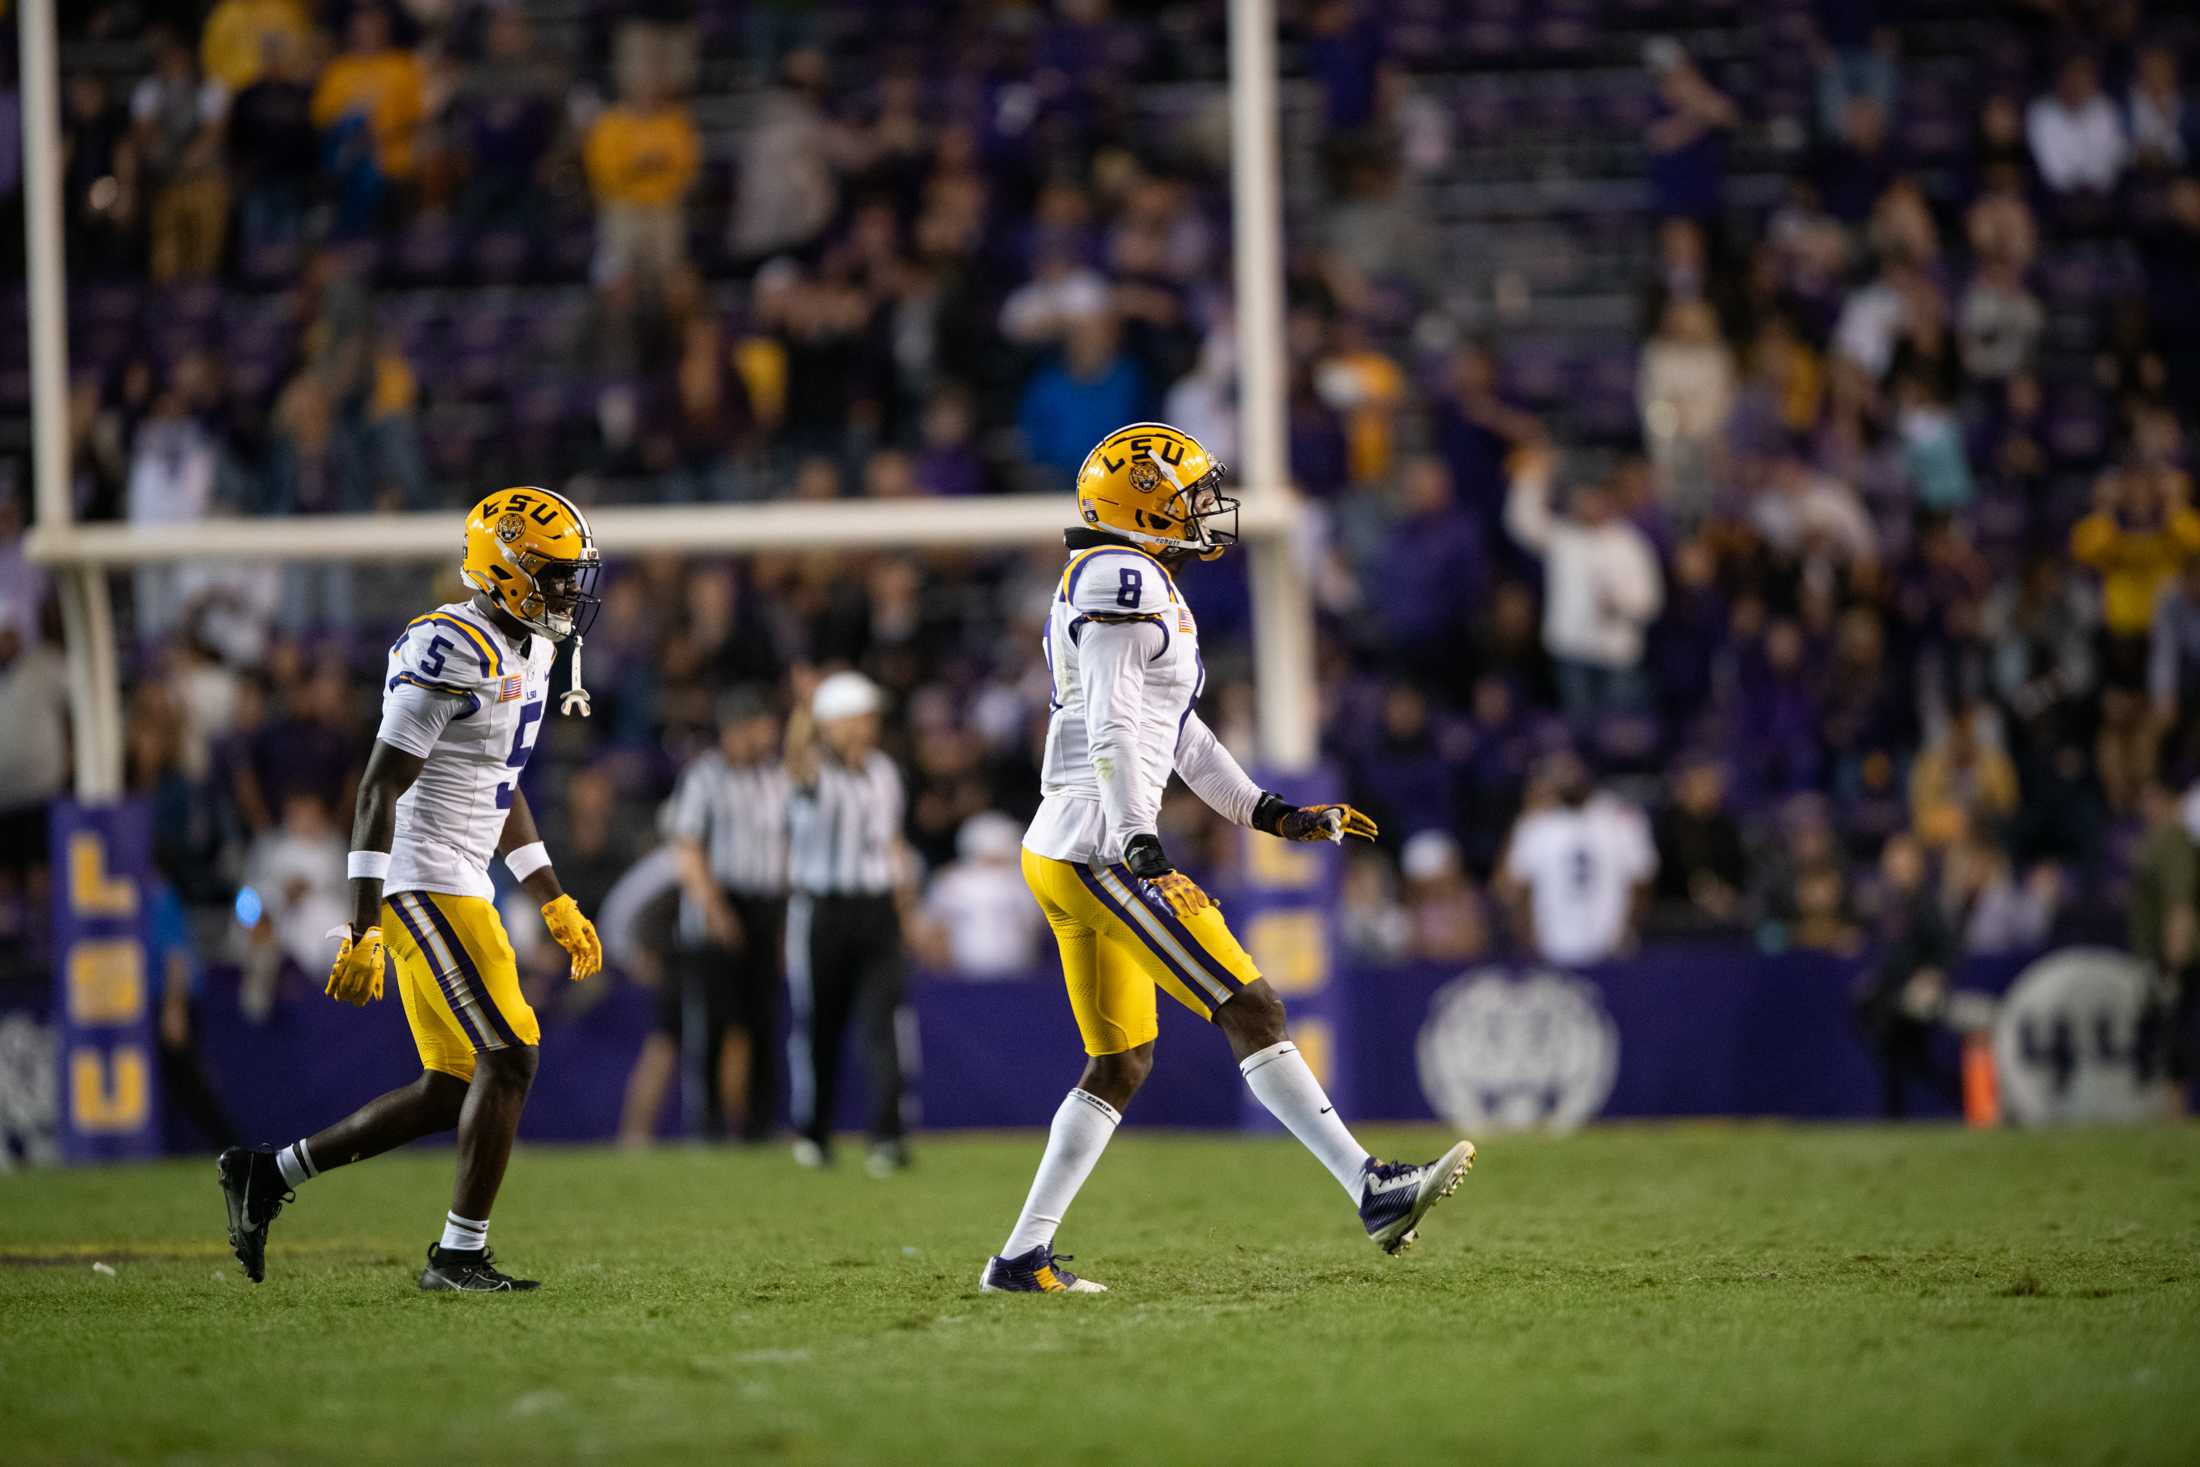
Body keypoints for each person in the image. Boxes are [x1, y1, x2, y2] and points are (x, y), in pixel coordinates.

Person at [983, 421, 1473, 1296]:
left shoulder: (1133, 581)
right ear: (1142, 507)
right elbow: (1113, 726)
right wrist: (1139, 837)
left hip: (1068, 844)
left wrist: (1269, 812)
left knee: (1121, 1061)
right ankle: (1372, 1188)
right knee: (1252, 1004)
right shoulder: (1120, 577)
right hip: (1101, 846)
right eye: (1187, 496)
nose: (1207, 508)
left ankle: (1021, 1257)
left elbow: (1180, 733)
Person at [216, 489, 607, 1292]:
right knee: (513, 1054)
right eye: (555, 576)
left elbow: (500, 786)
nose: (569, 593)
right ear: (504, 568)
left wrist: (552, 896)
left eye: (573, 576)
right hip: (421, 876)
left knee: (453, 1085)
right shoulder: (447, 647)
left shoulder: (528, 646)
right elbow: (375, 790)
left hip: (466, 879)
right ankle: (459, 1254)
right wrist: (360, 926)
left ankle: (269, 1172)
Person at [633, 687, 789, 1142]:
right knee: (715, 1022)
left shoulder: (776, 778)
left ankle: (761, 1124)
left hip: (766, 903)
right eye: (759, 726)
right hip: (717, 904)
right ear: (738, 728)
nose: (766, 735)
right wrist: (714, 907)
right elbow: (688, 847)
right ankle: (709, 1125)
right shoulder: (704, 777)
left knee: (763, 1019)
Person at [783, 670, 916, 1175]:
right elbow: (795, 761)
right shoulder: (815, 768)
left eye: (870, 717)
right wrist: (807, 710)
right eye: (858, 717)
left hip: (877, 908)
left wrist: (907, 908)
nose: (868, 726)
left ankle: (887, 1136)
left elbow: (892, 841)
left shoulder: (884, 771)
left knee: (883, 1024)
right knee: (822, 1027)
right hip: (825, 911)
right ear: (832, 724)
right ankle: (815, 1132)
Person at [1504, 447, 1664, 723]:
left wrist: (1620, 605)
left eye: (1594, 496)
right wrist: (1531, 478)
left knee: (1618, 735)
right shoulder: (1565, 538)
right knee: (1579, 733)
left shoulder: (1628, 543)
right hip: (1571, 656)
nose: (1587, 503)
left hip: (1615, 659)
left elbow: (1650, 603)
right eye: (1582, 496)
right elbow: (1522, 523)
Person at [1497, 751, 1657, 966]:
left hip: (1613, 949)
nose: (1567, 777)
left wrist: (1629, 929)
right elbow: (1508, 889)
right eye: (1558, 773)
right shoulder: (1536, 822)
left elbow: (1643, 880)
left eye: (1572, 770)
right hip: (1552, 950)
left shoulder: (1620, 816)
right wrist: (1530, 942)